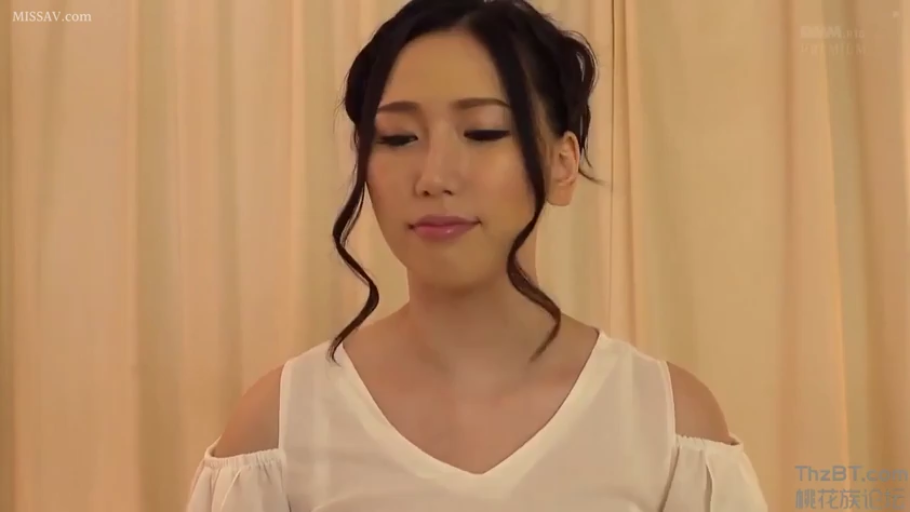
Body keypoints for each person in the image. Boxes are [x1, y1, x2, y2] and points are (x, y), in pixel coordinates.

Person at [185, 0, 768, 510]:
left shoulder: (669, 429)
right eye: (398, 138)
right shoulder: (278, 432)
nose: (434, 177)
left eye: (484, 132)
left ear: (563, 164)